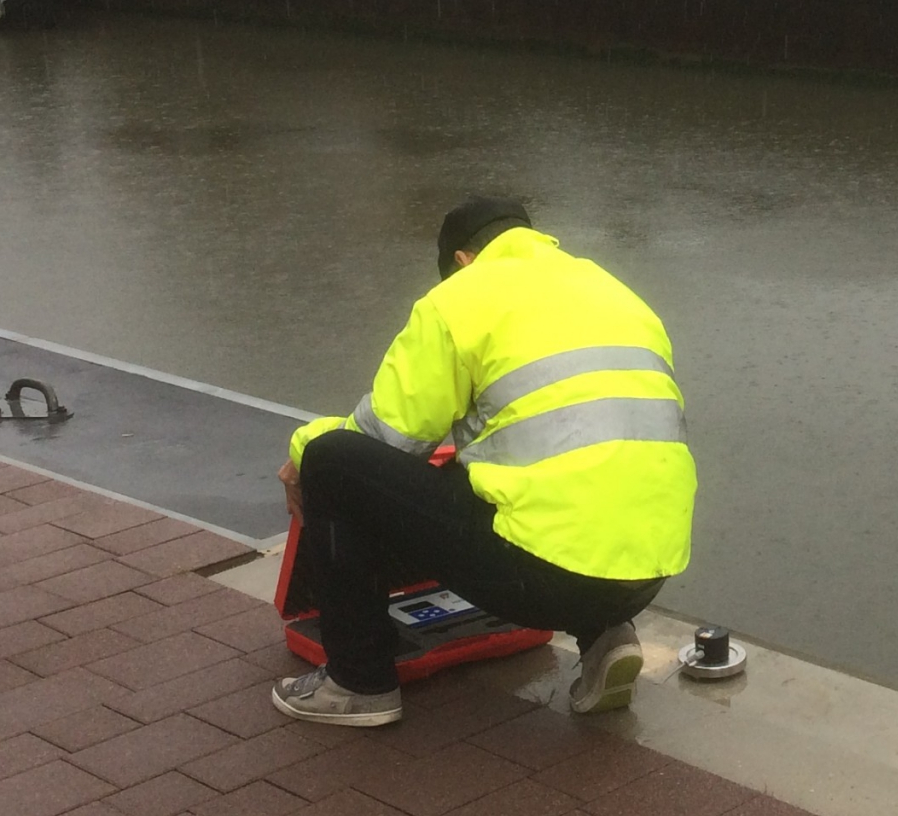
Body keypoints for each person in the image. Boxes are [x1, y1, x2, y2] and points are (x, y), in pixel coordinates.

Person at [271, 197, 695, 726]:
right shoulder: (616, 293)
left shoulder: (460, 297)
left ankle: (358, 682)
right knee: (570, 484)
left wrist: (301, 447)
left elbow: (387, 440)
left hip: (546, 581)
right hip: (648, 574)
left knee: (332, 460)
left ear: (463, 261)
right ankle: (607, 636)